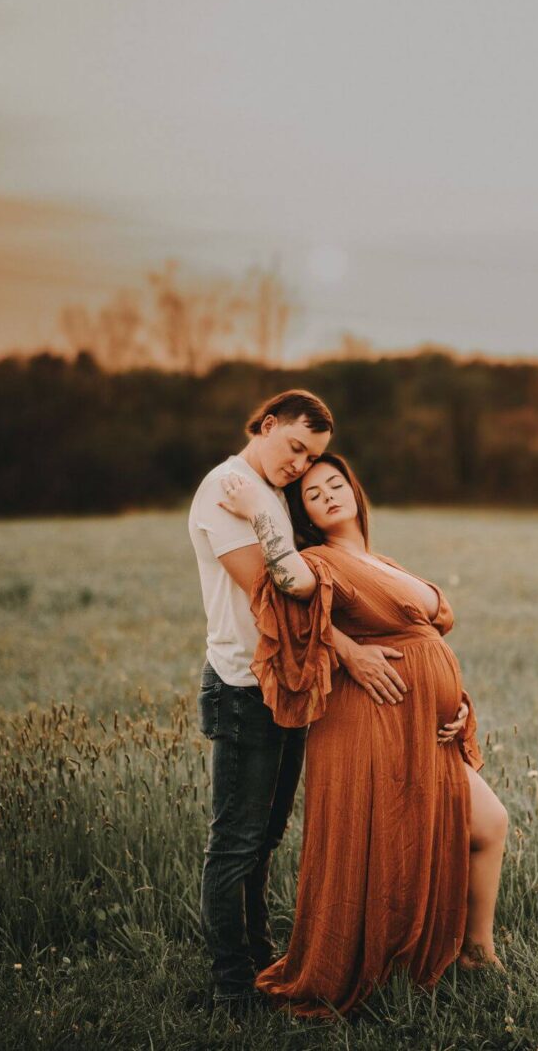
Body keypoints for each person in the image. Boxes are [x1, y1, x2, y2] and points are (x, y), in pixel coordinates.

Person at [188, 392, 472, 1014]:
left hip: (292, 685)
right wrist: (349, 652)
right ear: (267, 426)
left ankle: (261, 958)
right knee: (236, 842)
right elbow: (273, 593)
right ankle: (231, 986)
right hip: (243, 687)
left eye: (312, 456)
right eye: (295, 447)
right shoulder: (228, 487)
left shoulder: (271, 493)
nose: (300, 464)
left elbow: (316, 590)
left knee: (264, 840)